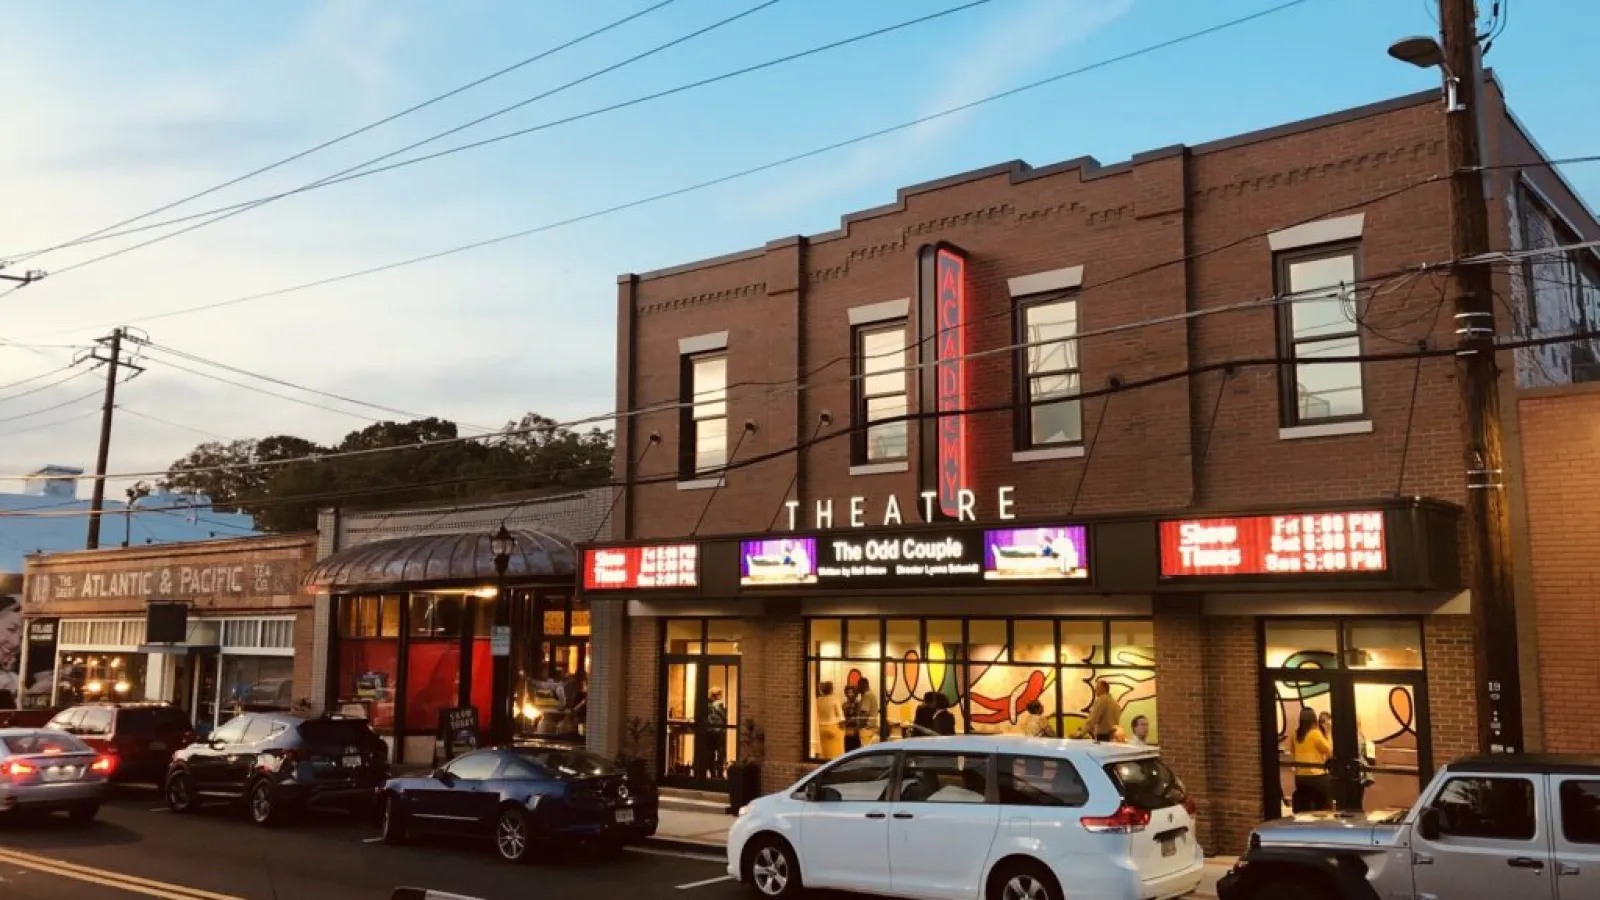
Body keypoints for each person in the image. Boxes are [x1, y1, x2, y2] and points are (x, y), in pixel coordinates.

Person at [1292, 707, 1334, 812]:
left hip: (1300, 778)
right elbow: (1329, 750)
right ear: (1313, 719)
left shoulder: (1295, 735)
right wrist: (1328, 733)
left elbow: (1293, 751)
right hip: (1316, 777)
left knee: (1305, 809)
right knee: (1324, 807)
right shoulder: (1315, 733)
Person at [815, 681, 845, 758]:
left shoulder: (817, 700)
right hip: (832, 728)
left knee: (824, 752)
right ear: (831, 689)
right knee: (836, 753)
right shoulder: (834, 700)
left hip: (820, 729)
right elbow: (841, 718)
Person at [855, 677, 880, 745]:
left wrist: (857, 727)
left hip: (866, 730)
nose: (857, 687)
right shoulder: (870, 695)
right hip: (871, 730)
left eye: (858, 685)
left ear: (863, 685)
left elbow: (864, 714)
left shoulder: (867, 695)